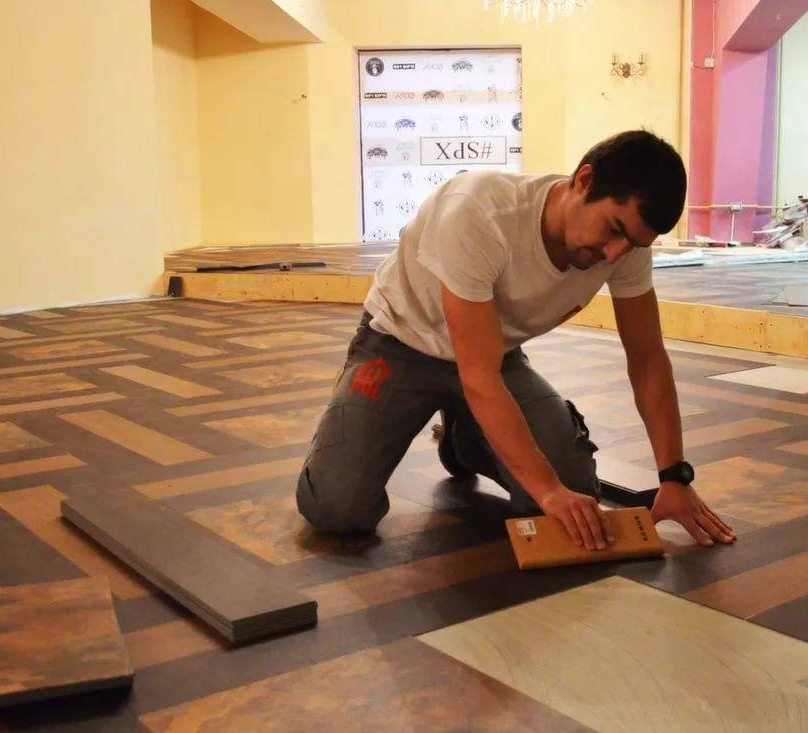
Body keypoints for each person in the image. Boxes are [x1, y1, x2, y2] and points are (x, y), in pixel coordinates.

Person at [296, 129, 736, 550]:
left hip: (494, 355)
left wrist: (673, 477)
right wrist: (548, 491)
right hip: (400, 345)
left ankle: (465, 442)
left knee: (574, 490)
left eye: (635, 244)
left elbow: (647, 359)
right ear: (584, 181)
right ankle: (428, 426)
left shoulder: (624, 248)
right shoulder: (478, 213)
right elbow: (478, 377)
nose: (615, 254)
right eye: (614, 229)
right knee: (337, 507)